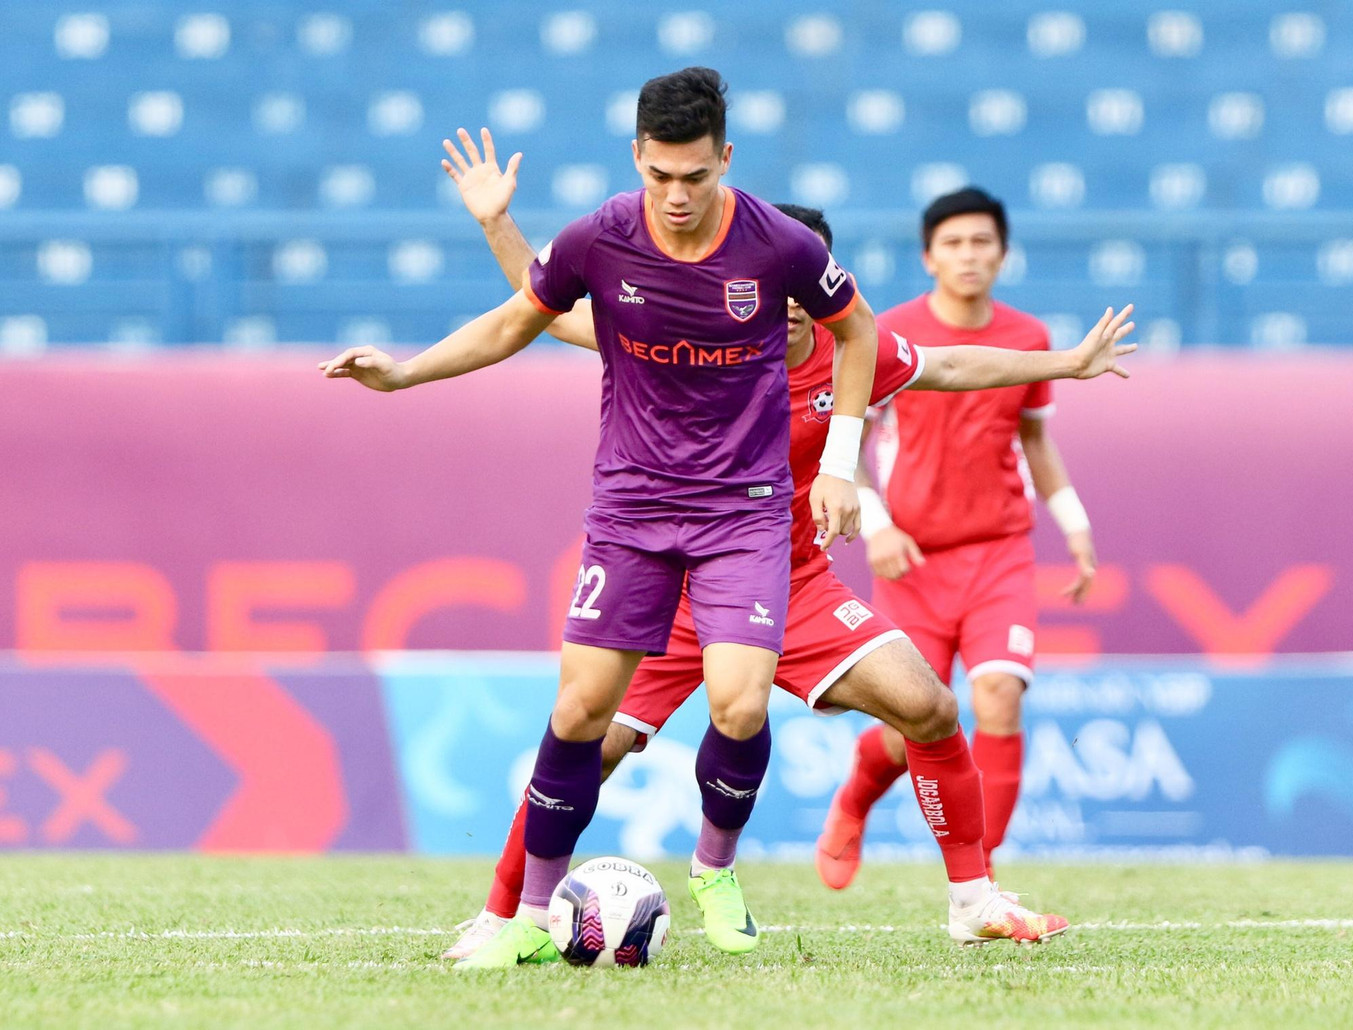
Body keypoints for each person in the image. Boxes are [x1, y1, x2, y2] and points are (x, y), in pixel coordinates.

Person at [437, 128, 1136, 961]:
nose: (793, 302)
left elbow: (949, 367)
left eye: (808, 288)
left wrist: (1067, 363)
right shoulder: (695, 330)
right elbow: (548, 312)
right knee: (591, 742)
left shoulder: (853, 354)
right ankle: (502, 916)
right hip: (670, 582)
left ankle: (972, 901)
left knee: (929, 707)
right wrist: (497, 224)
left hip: (788, 579)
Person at [322, 67, 882, 969]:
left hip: (742, 512)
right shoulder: (601, 236)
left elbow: (860, 332)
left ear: (725, 159)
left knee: (740, 705)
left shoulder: (777, 244)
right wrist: (406, 373)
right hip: (632, 509)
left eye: (695, 176)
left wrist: (843, 466)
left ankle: (714, 867)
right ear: (636, 158)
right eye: (659, 175)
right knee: (583, 710)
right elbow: (518, 321)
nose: (677, 195)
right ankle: (525, 918)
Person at [816, 187, 1104, 891]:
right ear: (929, 256)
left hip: (999, 550)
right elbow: (850, 439)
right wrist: (878, 525)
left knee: (1000, 693)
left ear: (1003, 254)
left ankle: (984, 877)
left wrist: (1075, 525)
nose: (968, 255)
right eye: (953, 243)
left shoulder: (1029, 337)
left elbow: (1034, 439)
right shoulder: (888, 331)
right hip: (912, 557)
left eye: (982, 242)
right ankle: (855, 798)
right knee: (909, 724)